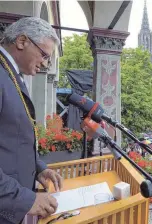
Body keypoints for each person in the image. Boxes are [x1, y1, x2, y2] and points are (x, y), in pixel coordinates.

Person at [0, 17, 63, 224]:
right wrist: (25, 198)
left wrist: (38, 168)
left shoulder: (11, 74)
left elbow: (13, 135)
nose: (45, 63)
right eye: (44, 54)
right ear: (22, 42)